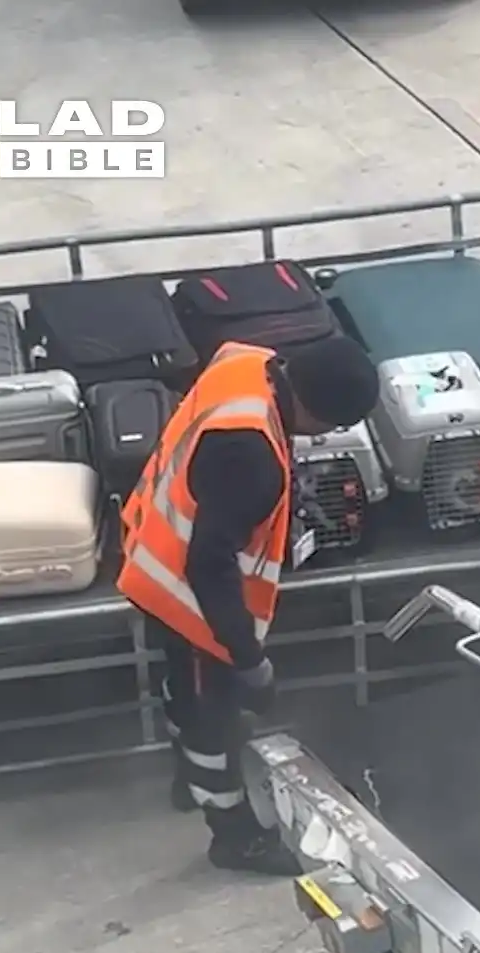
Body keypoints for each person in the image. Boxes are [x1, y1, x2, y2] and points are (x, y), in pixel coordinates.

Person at [116, 335, 380, 875]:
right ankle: (233, 836)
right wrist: (244, 656)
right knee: (209, 714)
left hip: (152, 542)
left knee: (183, 689)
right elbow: (208, 565)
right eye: (328, 427)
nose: (323, 437)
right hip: (188, 601)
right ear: (315, 408)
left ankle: (186, 780)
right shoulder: (253, 456)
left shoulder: (246, 362)